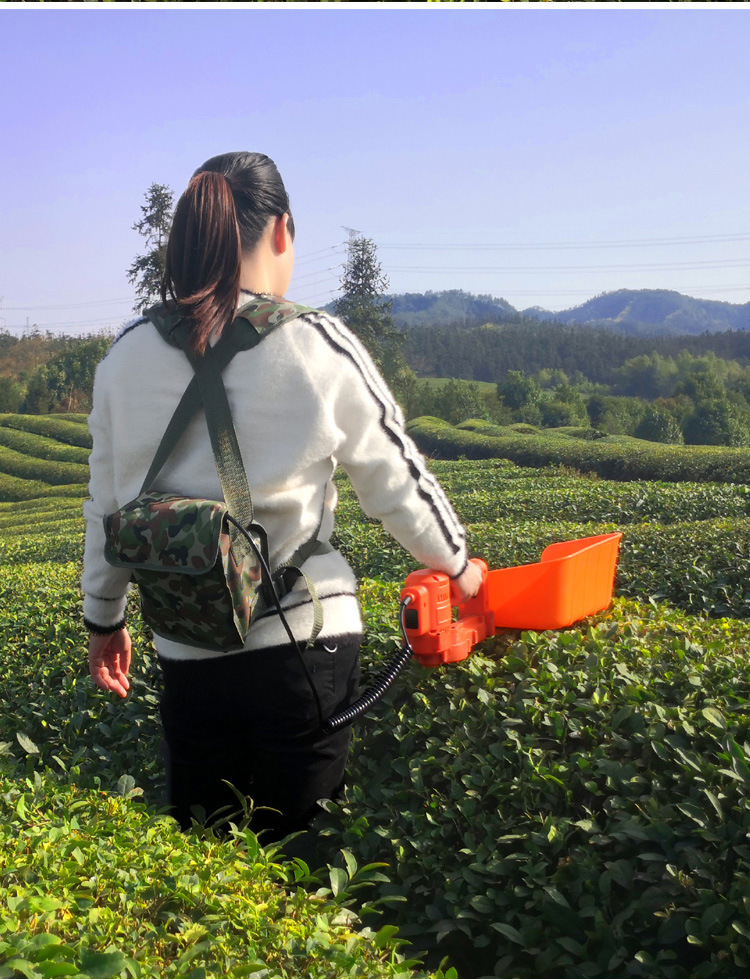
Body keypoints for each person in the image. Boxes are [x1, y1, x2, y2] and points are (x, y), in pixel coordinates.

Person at [82, 151, 482, 843]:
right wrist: (459, 567)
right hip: (303, 648)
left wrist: (103, 621)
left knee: (204, 874)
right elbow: (394, 480)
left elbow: (108, 506)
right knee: (299, 870)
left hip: (186, 652)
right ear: (283, 231)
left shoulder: (125, 359)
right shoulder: (315, 342)